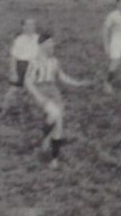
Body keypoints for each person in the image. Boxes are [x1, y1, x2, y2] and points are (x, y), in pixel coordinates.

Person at [25, 33, 92, 165]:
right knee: (54, 114)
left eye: (52, 44)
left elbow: (62, 77)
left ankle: (54, 159)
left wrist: (78, 83)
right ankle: (44, 139)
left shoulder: (54, 61)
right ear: (41, 46)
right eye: (49, 44)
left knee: (58, 124)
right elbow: (28, 82)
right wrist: (37, 95)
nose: (52, 47)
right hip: (41, 90)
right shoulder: (34, 61)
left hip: (53, 92)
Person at [0, 16, 42, 115]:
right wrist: (13, 72)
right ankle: (4, 110)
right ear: (23, 27)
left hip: (34, 66)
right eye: (27, 25)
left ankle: (27, 111)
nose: (30, 27)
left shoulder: (38, 38)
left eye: (32, 24)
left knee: (33, 90)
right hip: (21, 66)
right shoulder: (19, 40)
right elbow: (13, 58)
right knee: (14, 90)